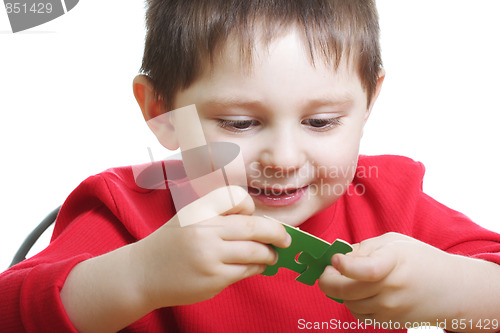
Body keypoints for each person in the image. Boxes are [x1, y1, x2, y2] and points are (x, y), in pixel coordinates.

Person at [1, 0, 500, 332]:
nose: (283, 160)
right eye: (239, 124)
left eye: (322, 122)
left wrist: (450, 289)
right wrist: (140, 276)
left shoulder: (392, 200)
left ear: (369, 101)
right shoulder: (123, 213)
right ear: (162, 113)